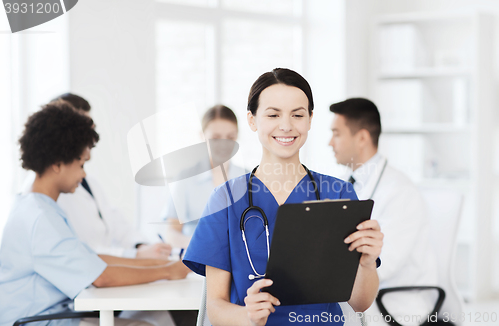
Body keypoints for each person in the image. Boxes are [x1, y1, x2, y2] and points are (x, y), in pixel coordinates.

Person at [182, 68, 384, 326]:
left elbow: (360, 302)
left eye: (297, 115)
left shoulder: (339, 194)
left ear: (310, 119)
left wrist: (366, 263)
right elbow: (216, 307)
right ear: (252, 120)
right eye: (273, 114)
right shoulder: (226, 199)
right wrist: (248, 315)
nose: (286, 125)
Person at [0, 102, 189, 326]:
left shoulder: (39, 207)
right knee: (143, 324)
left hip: (54, 313)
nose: (84, 173)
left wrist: (164, 265)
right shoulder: (41, 218)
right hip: (37, 320)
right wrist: (168, 272)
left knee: (151, 317)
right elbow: (101, 277)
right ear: (58, 164)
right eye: (81, 163)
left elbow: (93, 261)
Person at [22, 93, 172, 260]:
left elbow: (114, 222)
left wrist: (140, 246)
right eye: (82, 128)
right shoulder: (46, 194)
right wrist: (135, 256)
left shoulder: (87, 181)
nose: (89, 136)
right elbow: (80, 253)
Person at [329, 98, 438, 325]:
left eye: (337, 134)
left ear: (361, 138)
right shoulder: (342, 185)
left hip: (396, 299)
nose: (330, 142)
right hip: (361, 290)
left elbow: (384, 263)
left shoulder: (400, 191)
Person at [163, 104, 247, 249]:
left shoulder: (249, 178)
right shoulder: (185, 178)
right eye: (216, 137)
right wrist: (199, 246)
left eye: (230, 137)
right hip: (196, 259)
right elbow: (171, 233)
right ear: (202, 136)